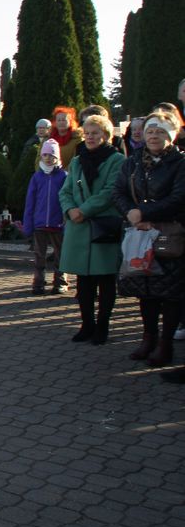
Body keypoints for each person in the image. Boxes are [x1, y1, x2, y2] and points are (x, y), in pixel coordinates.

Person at [112, 112, 184, 366]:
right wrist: (132, 214)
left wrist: (145, 213)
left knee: (171, 293)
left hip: (169, 236)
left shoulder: (180, 163)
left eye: (160, 132)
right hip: (140, 234)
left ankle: (165, 345)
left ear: (171, 136)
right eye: (150, 131)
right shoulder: (133, 162)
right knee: (146, 291)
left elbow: (179, 198)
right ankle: (148, 338)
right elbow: (118, 192)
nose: (154, 136)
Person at [59, 114, 125, 345]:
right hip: (78, 226)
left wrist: (84, 210)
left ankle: (103, 326)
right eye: (87, 133)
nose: (90, 137)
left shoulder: (117, 160)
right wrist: (70, 210)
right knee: (83, 281)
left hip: (102, 226)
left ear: (105, 135)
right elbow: (65, 190)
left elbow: (110, 191)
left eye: (95, 133)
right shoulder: (78, 161)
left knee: (105, 279)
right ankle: (87, 324)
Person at [22, 139, 68, 295]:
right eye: (45, 155)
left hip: (58, 223)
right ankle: (38, 281)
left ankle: (60, 281)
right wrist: (28, 224)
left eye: (52, 155)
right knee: (39, 255)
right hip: (40, 222)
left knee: (60, 254)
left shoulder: (63, 176)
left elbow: (66, 199)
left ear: (57, 157)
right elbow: (30, 202)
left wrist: (66, 221)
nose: (48, 158)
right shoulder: (37, 177)